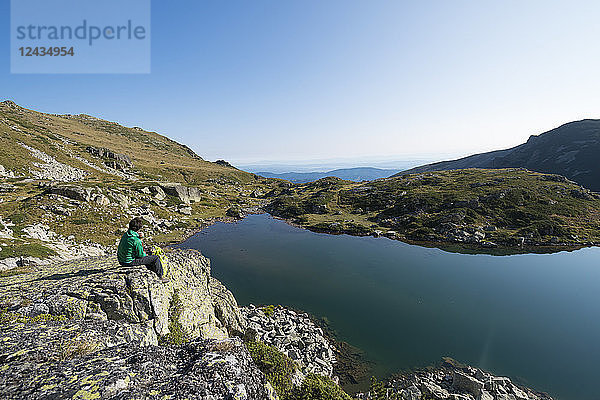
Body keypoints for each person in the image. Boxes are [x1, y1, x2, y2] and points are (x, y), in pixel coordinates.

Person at [117, 217, 168, 282]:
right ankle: (160, 277)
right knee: (155, 258)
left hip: (121, 261)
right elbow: (141, 255)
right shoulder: (136, 240)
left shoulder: (126, 234)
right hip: (129, 262)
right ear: (138, 228)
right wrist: (146, 253)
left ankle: (151, 272)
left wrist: (139, 237)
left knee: (148, 257)